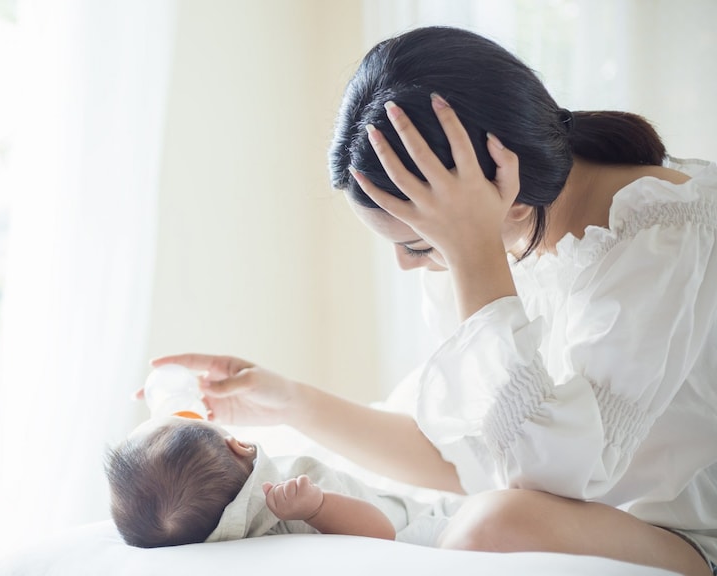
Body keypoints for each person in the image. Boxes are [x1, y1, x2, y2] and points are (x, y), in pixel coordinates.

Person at [148, 26, 717, 576]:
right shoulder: (494, 241)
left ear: (508, 199)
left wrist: (474, 256)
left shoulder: (662, 236)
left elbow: (556, 481)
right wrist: (289, 401)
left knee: (490, 524)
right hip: (576, 515)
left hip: (688, 537)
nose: (407, 263)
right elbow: (465, 461)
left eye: (417, 245)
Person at [104, 414, 451, 548]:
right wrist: (319, 507)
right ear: (239, 445)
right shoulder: (289, 509)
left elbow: (166, 467)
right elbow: (383, 533)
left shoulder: (202, 525)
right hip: (421, 524)